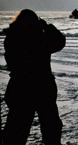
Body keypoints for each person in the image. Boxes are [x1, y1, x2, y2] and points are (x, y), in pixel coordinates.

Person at [3, 9, 65, 144]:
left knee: (17, 128)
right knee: (50, 126)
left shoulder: (11, 38)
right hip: (43, 87)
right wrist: (47, 26)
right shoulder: (40, 39)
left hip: (19, 88)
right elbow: (60, 41)